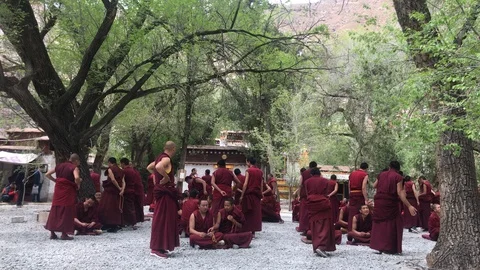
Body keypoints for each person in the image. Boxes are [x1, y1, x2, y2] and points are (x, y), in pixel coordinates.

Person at [370, 161, 417, 254]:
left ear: (389, 166)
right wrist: (409, 205)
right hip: (390, 202)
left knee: (380, 224)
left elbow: (374, 185)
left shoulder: (381, 174)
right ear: (398, 169)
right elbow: (399, 192)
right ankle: (389, 247)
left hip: (379, 201)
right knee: (392, 224)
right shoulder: (398, 177)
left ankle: (379, 246)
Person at [148, 141, 180, 259]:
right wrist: (165, 177)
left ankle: (161, 246)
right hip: (165, 193)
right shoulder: (166, 159)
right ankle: (155, 248)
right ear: (173, 148)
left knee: (164, 219)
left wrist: (156, 178)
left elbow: (150, 167)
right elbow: (157, 167)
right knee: (162, 219)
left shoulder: (159, 158)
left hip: (163, 193)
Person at [44, 154, 82, 240]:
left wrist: (56, 181)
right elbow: (76, 177)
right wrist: (78, 183)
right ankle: (64, 234)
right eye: (78, 162)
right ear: (76, 161)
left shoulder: (59, 166)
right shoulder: (74, 167)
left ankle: (52, 233)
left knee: (55, 209)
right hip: (67, 191)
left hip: (58, 190)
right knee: (66, 210)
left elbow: (47, 174)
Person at [304, 167, 335, 257]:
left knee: (315, 225)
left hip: (312, 204)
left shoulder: (307, 182)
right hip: (323, 203)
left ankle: (316, 245)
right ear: (319, 173)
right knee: (325, 226)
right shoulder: (325, 181)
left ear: (311, 174)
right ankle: (321, 247)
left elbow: (307, 194)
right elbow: (326, 193)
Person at [98, 157, 125, 233]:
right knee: (115, 208)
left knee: (106, 207)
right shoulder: (121, 170)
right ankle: (114, 225)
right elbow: (123, 181)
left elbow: (113, 180)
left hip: (110, 191)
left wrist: (118, 187)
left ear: (110, 163)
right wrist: (122, 190)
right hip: (117, 192)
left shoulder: (110, 169)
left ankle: (109, 224)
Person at [240, 157, 263, 236]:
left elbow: (245, 184)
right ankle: (253, 231)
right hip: (257, 194)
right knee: (255, 213)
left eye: (247, 162)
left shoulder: (248, 171)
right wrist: (261, 194)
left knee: (248, 212)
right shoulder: (260, 171)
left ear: (249, 162)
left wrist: (242, 195)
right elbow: (261, 184)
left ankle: (247, 230)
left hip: (249, 194)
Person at [347, 162, 369, 238]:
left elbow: (349, 185)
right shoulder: (365, 175)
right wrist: (366, 199)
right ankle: (358, 232)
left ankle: (350, 232)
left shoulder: (352, 174)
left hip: (352, 195)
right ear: (366, 169)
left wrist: (350, 195)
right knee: (360, 213)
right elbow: (363, 187)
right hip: (359, 195)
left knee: (351, 213)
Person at [298, 161, 317, 234]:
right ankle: (313, 228)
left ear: (309, 166)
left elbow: (300, 184)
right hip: (314, 195)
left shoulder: (304, 173)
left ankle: (304, 228)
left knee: (304, 212)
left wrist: (299, 195)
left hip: (305, 195)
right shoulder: (317, 173)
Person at [120, 158, 138, 229]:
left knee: (127, 207)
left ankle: (133, 222)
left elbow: (122, 181)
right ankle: (129, 222)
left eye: (121, 163)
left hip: (126, 190)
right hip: (132, 189)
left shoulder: (124, 171)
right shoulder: (133, 171)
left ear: (123, 163)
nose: (120, 165)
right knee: (130, 206)